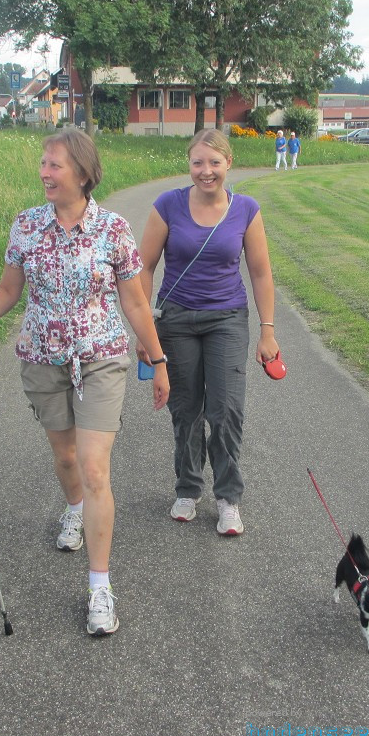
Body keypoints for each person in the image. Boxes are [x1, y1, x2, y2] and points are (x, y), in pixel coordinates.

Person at [0, 127, 169, 637]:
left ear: (84, 173)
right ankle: (73, 511)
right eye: (43, 164)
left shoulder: (113, 229)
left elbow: (134, 301)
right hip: (43, 357)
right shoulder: (25, 226)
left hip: (101, 358)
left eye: (55, 165)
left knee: (94, 469)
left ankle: (99, 587)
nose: (45, 173)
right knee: (66, 459)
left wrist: (158, 361)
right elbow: (8, 290)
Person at [137, 129, 280, 536]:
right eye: (198, 162)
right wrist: (146, 330)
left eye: (214, 163)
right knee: (185, 411)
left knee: (226, 410)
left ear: (228, 163)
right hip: (176, 319)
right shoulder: (167, 205)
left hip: (227, 319)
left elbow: (260, 272)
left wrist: (267, 330)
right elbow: (144, 267)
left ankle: (228, 498)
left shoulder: (246, 209)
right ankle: (187, 488)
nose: (206, 171)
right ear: (189, 164)